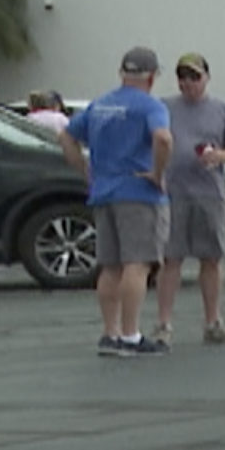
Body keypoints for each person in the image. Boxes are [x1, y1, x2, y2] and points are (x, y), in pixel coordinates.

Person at [57, 46, 172, 358]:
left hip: (104, 191)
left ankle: (111, 332)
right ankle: (131, 336)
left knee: (111, 266)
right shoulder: (150, 106)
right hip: (138, 192)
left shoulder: (101, 104)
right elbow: (163, 138)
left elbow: (66, 136)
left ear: (123, 73)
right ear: (151, 76)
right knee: (137, 263)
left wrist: (84, 170)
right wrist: (158, 173)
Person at [155, 52, 225, 345]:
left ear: (206, 78)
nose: (188, 82)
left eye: (194, 76)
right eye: (183, 77)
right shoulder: (163, 108)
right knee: (171, 259)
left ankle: (213, 323)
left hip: (209, 193)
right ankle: (163, 325)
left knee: (211, 258)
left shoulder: (222, 109)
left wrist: (221, 155)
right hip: (172, 194)